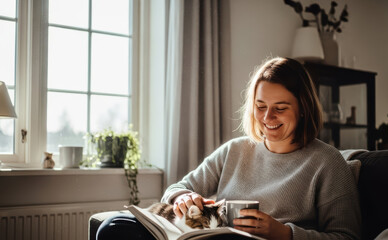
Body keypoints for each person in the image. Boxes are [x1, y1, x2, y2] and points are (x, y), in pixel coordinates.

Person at [97, 57, 361, 240]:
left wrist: (285, 234)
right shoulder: (234, 151)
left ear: (303, 109)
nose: (267, 117)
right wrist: (182, 198)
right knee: (114, 227)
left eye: (280, 108)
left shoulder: (327, 162)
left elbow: (347, 236)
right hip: (213, 237)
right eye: (260, 106)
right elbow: (176, 188)